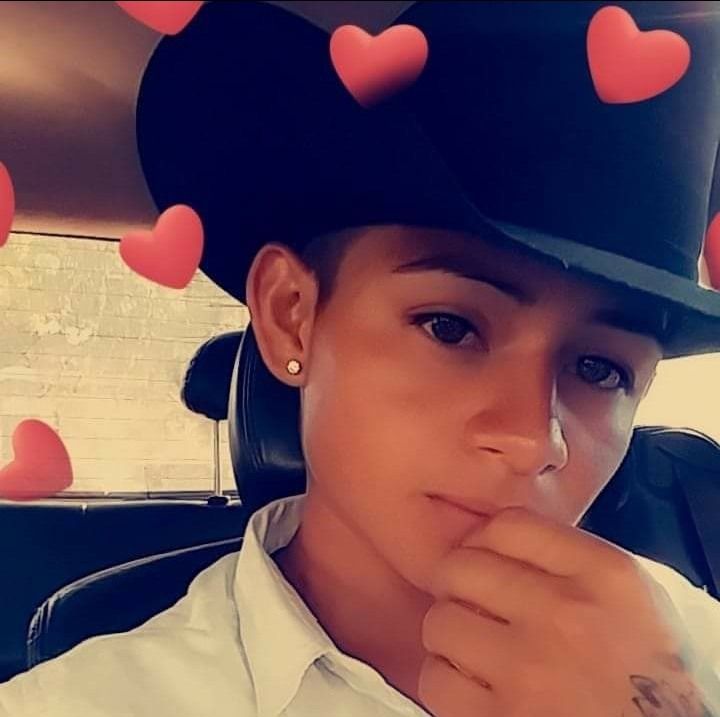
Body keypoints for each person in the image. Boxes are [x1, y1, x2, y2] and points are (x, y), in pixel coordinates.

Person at [2, 1, 720, 715]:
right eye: (449, 327)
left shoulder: (698, 643)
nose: (533, 439)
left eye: (599, 370)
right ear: (291, 316)